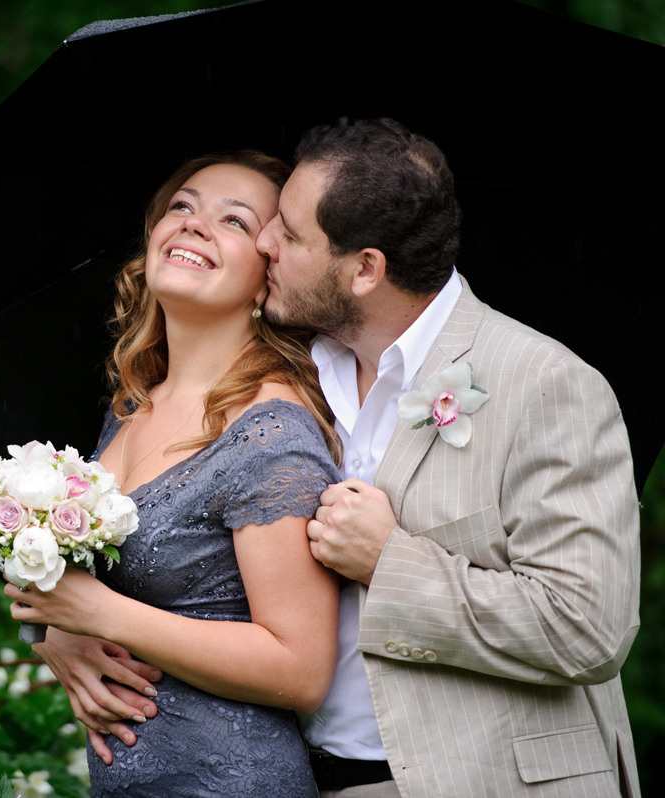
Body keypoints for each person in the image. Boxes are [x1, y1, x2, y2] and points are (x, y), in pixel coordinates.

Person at [39, 118, 642, 797]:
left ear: (364, 270)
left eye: (288, 234)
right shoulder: (302, 369)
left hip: (480, 778)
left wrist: (391, 563)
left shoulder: (542, 384)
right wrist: (64, 628)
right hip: (302, 772)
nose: (266, 243)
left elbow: (587, 628)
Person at [2, 150, 343, 796]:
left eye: (235, 222)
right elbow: (78, 593)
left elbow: (300, 667)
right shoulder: (130, 409)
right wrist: (56, 633)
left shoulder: (271, 430)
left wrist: (101, 615)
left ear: (268, 275)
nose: (193, 224)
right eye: (181, 206)